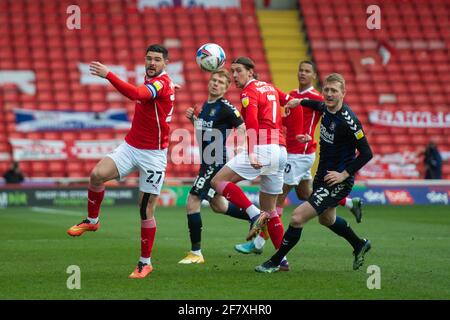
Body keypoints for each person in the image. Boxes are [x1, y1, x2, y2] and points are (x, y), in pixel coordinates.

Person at [234, 61, 363, 259]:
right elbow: (285, 117)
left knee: (277, 197)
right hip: (293, 151)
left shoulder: (319, 98)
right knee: (307, 194)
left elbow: (334, 116)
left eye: (307, 71)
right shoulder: (294, 95)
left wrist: (306, 134)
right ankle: (349, 203)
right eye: (300, 70)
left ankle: (259, 242)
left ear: (313, 76)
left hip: (300, 154)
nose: (302, 73)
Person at [67, 44, 175, 279]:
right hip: (131, 146)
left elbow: (137, 94)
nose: (152, 63)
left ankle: (145, 263)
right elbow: (149, 92)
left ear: (166, 63)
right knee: (96, 175)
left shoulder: (162, 83)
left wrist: (108, 74)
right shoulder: (155, 81)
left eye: (157, 59)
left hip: (153, 155)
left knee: (145, 210)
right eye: (149, 58)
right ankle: (92, 220)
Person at [255, 73, 373, 273]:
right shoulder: (325, 107)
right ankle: (359, 244)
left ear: (343, 93)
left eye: (334, 91)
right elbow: (314, 104)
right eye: (326, 89)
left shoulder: (349, 121)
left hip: (337, 181)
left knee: (297, 217)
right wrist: (297, 102)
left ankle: (275, 262)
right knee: (327, 219)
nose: (329, 94)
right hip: (322, 175)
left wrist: (344, 175)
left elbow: (367, 153)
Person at [210, 57, 303, 270]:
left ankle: (253, 215)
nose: (234, 76)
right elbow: (293, 103)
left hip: (262, 149)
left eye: (238, 71)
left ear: (251, 72)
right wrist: (297, 133)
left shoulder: (249, 92)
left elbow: (251, 122)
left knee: (217, 182)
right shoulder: (270, 87)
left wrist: (251, 152)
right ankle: (282, 261)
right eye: (232, 71)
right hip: (280, 152)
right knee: (271, 210)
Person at [178, 69, 247, 264]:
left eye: (220, 82)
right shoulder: (206, 107)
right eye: (214, 80)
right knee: (219, 206)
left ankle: (196, 253)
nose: (216, 83)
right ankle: (256, 217)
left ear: (226, 88)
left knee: (192, 201)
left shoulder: (225, 106)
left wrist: (241, 147)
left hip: (216, 162)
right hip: (207, 161)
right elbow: (203, 135)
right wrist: (193, 120)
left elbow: (241, 126)